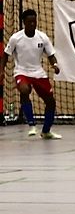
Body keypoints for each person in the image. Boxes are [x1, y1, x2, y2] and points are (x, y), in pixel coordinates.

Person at [1, 9, 61, 139]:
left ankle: (46, 131)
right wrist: (2, 71)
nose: (32, 24)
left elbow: (51, 55)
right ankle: (31, 124)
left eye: (34, 21)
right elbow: (5, 55)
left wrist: (55, 65)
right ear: (24, 22)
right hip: (21, 71)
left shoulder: (42, 37)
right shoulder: (16, 38)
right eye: (29, 22)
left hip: (38, 73)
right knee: (24, 90)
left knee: (51, 102)